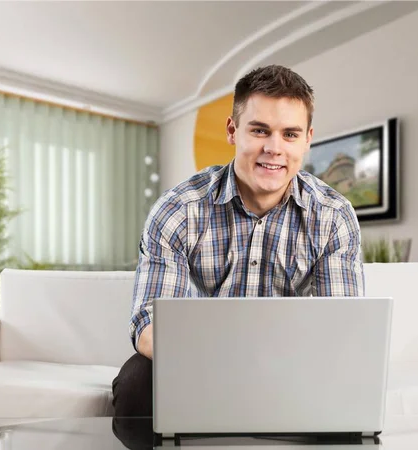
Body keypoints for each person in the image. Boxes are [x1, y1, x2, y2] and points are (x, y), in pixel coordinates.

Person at [112, 64, 364, 419]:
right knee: (137, 382)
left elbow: (342, 328)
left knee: (345, 386)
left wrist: (275, 364)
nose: (274, 149)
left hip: (293, 364)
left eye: (290, 134)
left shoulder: (333, 216)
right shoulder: (179, 209)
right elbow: (148, 324)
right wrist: (227, 361)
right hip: (194, 360)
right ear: (233, 131)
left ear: (308, 139)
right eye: (260, 130)